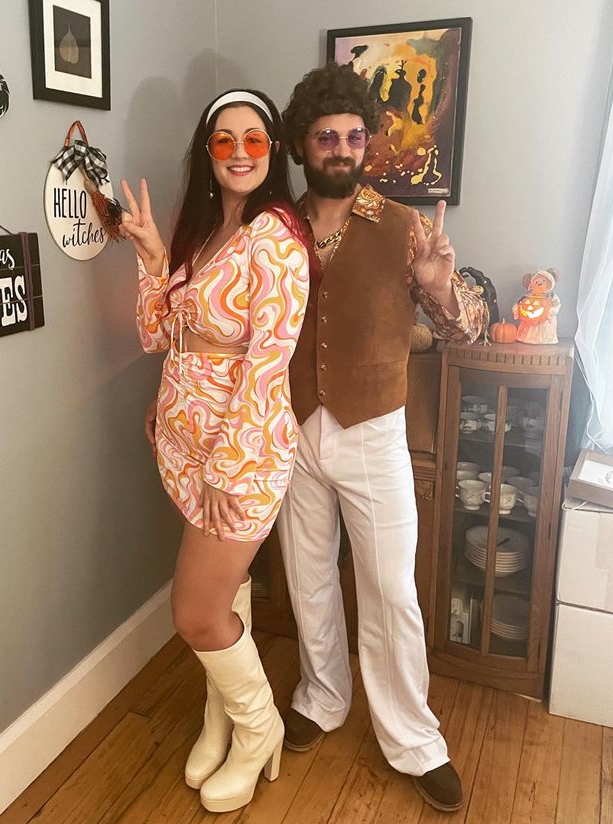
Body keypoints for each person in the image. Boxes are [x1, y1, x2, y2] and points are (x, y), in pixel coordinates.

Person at [276, 63, 486, 814]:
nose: (341, 147)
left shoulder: (403, 227)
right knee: (308, 578)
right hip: (293, 429)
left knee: (392, 591)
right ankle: (321, 696)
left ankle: (414, 739)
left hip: (373, 431)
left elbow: (464, 329)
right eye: (326, 137)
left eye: (354, 136)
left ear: (367, 144)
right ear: (304, 145)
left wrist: (437, 283)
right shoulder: (278, 228)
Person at [122, 89, 310, 814]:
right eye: (224, 139)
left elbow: (268, 361)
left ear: (273, 151)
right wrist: (149, 256)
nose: (238, 151)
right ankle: (219, 718)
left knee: (196, 612)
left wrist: (229, 466)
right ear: (207, 151)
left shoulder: (278, 237)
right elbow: (158, 333)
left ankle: (258, 729)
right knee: (224, 597)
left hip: (242, 452)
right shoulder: (203, 231)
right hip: (183, 439)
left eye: (254, 139)